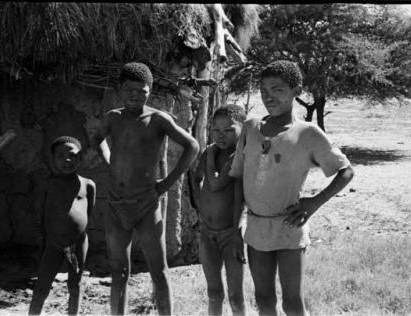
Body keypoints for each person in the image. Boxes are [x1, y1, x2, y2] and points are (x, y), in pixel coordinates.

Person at [229, 60, 355, 316]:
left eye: (277, 90)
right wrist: (234, 228)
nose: (269, 97)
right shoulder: (251, 129)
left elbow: (346, 171)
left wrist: (314, 202)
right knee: (263, 299)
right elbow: (238, 180)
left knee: (292, 302)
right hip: (256, 227)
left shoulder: (306, 133)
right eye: (264, 91)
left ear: (296, 90)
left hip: (289, 227)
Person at [89, 62, 199, 315]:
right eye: (130, 90)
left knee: (158, 272)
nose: (136, 95)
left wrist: (165, 185)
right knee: (119, 272)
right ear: (120, 89)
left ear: (150, 90)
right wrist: (108, 161)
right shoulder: (113, 118)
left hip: (146, 205)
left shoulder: (157, 119)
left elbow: (191, 146)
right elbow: (96, 139)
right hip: (116, 205)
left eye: (142, 91)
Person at [29, 136, 96, 315]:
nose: (67, 160)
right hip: (53, 245)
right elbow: (41, 216)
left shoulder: (88, 185)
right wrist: (43, 243)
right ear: (53, 159)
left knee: (75, 285)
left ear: (80, 158)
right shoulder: (47, 186)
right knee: (42, 286)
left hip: (78, 244)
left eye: (72, 155)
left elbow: (88, 214)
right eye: (60, 156)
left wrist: (77, 232)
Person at [193, 105, 247, 316]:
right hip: (207, 233)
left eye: (229, 130)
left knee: (236, 296)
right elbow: (196, 178)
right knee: (214, 292)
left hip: (230, 234)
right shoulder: (209, 152)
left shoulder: (239, 157)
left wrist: (235, 234)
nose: (221, 136)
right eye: (216, 130)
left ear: (243, 129)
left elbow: (224, 190)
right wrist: (200, 207)